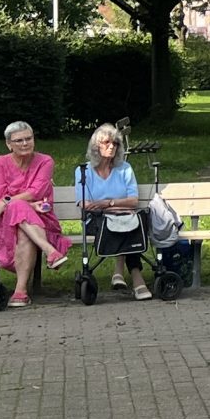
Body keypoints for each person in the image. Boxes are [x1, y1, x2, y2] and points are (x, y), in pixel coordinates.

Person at [0, 120, 70, 308]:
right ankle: (49, 252)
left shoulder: (45, 161)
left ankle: (21, 291)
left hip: (41, 219)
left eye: (28, 139)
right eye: (19, 140)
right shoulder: (0, 163)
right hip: (2, 220)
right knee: (18, 209)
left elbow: (36, 191)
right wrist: (24, 204)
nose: (25, 143)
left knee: (21, 221)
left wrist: (8, 201)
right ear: (9, 144)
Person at [73, 122, 153, 300]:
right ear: (96, 146)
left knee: (128, 224)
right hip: (97, 221)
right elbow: (84, 203)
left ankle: (129, 275)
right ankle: (134, 277)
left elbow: (133, 201)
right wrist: (116, 206)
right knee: (125, 225)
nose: (112, 147)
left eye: (115, 143)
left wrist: (107, 203)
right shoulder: (83, 170)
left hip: (123, 217)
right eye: (106, 143)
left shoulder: (125, 168)